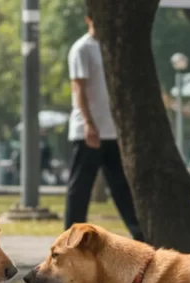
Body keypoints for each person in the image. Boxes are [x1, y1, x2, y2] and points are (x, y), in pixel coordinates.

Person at [64, 11, 143, 241]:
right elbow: (79, 89)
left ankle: (140, 236)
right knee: (80, 189)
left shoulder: (111, 48)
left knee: (122, 188)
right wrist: (89, 123)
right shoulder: (82, 48)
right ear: (89, 19)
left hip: (112, 132)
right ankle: (70, 239)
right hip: (88, 131)